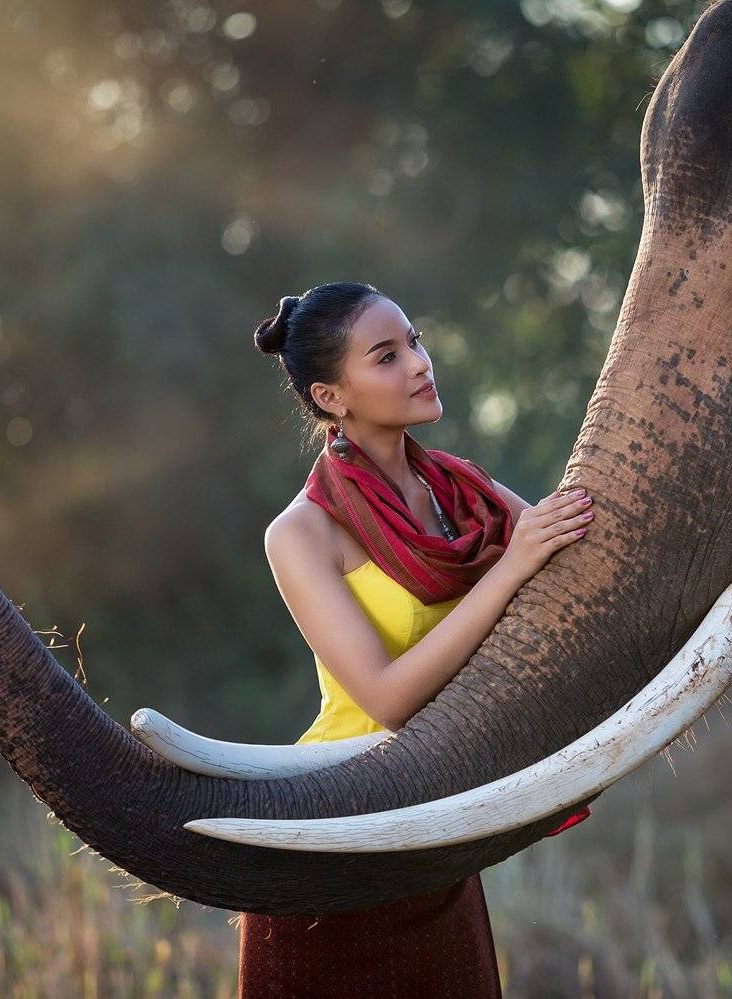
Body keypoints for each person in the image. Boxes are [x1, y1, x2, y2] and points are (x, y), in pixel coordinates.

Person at [238, 282, 596, 997]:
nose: (420, 364)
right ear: (331, 396)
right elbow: (389, 696)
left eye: (417, 341)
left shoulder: (468, 491)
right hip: (332, 842)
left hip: (438, 834)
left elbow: (579, 578)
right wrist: (514, 564)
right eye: (386, 355)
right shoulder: (300, 534)